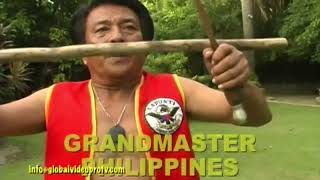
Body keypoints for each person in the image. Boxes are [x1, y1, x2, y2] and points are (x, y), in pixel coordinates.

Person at [0, 0, 272, 179]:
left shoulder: (177, 88)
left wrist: (237, 85)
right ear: (82, 52)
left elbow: (254, 117)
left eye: (129, 27)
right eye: (102, 30)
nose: (117, 37)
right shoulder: (54, 98)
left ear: (146, 44)